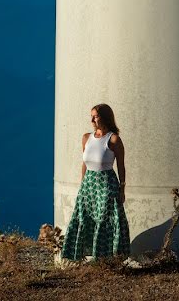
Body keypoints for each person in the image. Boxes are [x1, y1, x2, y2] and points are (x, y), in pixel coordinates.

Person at [59, 103, 130, 262]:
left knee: (104, 220)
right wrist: (82, 185)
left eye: (95, 116)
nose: (91, 119)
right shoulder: (86, 138)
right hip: (89, 185)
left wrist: (122, 188)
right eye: (91, 116)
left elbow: (121, 166)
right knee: (84, 218)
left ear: (104, 117)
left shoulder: (113, 139)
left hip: (106, 184)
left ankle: (105, 259)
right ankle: (81, 257)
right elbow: (85, 163)